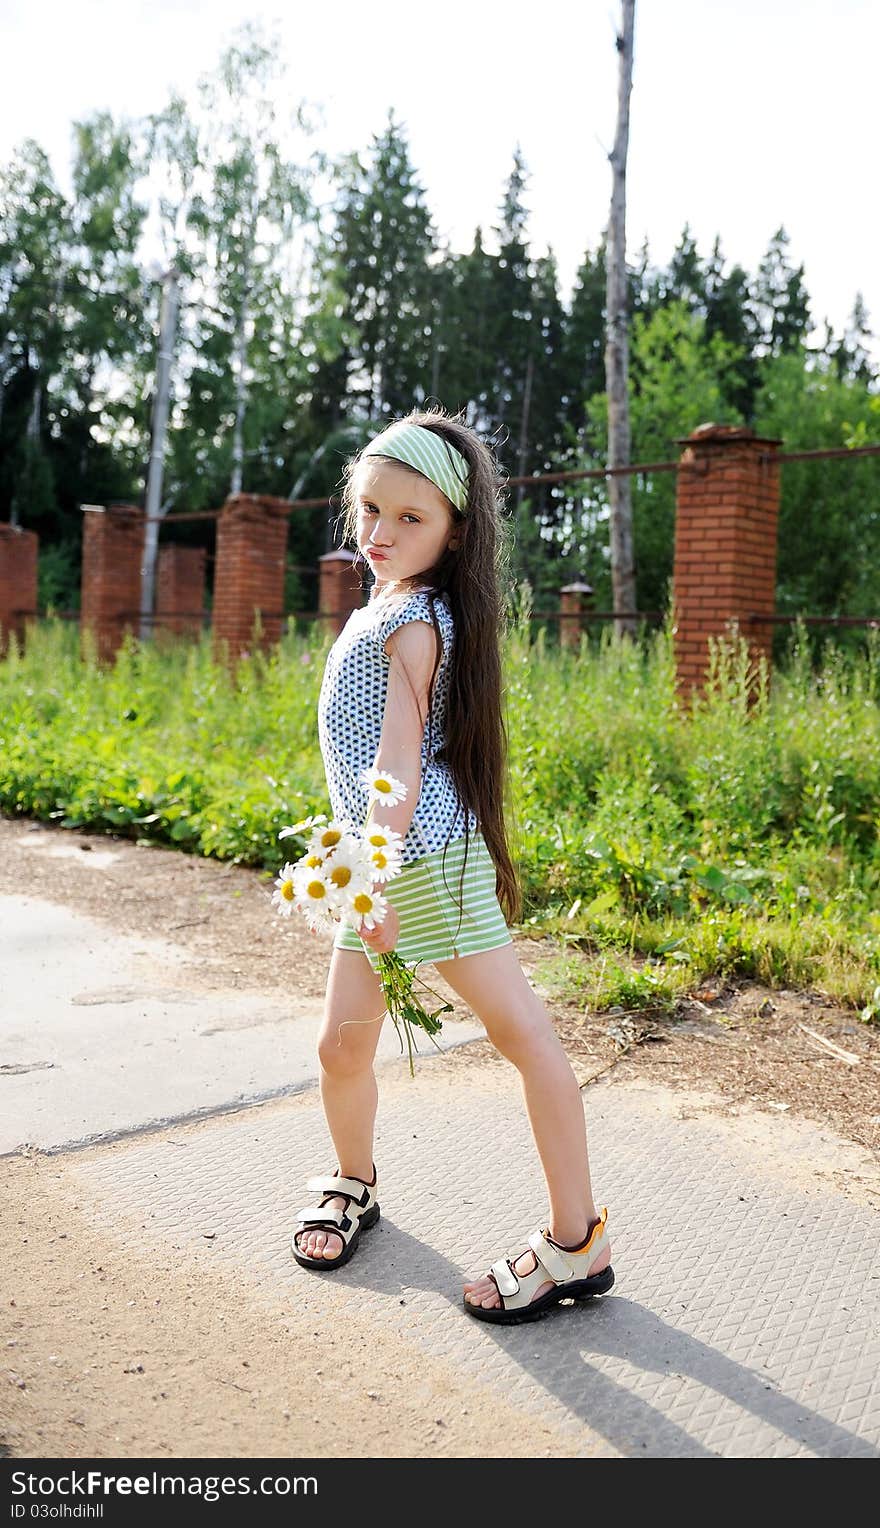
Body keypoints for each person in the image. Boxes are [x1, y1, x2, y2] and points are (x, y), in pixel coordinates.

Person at [290, 407, 613, 1324]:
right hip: (379, 859)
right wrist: (360, 865)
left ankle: (575, 1242)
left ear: (455, 530)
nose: (382, 535)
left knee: (524, 1037)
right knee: (340, 1044)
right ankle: (355, 1180)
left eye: (410, 518)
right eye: (370, 512)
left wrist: (375, 878)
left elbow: (397, 765)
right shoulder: (387, 603)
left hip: (418, 860)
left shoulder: (417, 625)